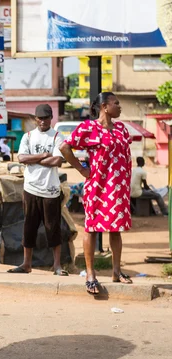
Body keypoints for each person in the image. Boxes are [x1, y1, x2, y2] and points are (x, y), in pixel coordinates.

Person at [60, 92, 133, 295]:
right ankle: (91, 274)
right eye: (116, 104)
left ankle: (117, 271)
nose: (119, 107)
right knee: (91, 228)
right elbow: (65, 147)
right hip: (98, 187)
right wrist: (82, 169)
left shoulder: (121, 129)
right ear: (104, 106)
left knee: (116, 229)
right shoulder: (88, 128)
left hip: (118, 188)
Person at [7, 104, 67, 276]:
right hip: (31, 189)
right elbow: (21, 157)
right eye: (40, 118)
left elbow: (57, 161)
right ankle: (26, 264)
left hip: (51, 190)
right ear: (35, 119)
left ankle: (56, 265)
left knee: (53, 227)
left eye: (46, 117)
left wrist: (32, 160)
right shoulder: (27, 136)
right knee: (29, 227)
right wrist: (43, 156)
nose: (43, 121)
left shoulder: (56, 136)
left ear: (51, 118)